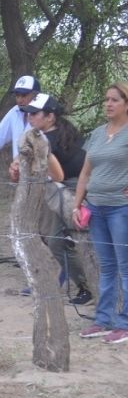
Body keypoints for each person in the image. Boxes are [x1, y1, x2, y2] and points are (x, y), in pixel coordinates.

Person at [20, 93, 92, 304]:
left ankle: (85, 286)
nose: (30, 118)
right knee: (66, 239)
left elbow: (57, 175)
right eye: (29, 114)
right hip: (78, 187)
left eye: (35, 114)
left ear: (50, 116)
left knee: (56, 241)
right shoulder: (66, 133)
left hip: (64, 190)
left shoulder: (45, 141)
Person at [74, 82, 128, 344]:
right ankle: (103, 320)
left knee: (126, 268)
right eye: (106, 99)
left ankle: (125, 323)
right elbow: (86, 172)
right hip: (95, 206)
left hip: (121, 208)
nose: (108, 104)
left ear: (126, 104)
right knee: (107, 267)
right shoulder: (96, 134)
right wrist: (77, 204)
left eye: (115, 100)